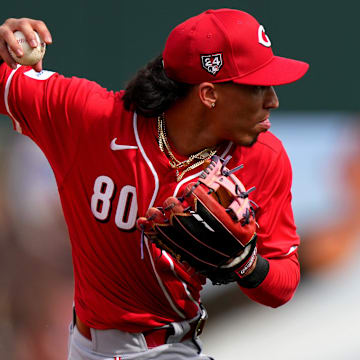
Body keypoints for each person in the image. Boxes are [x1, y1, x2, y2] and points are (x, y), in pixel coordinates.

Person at [0, 8, 309, 360]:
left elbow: (283, 284)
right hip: (82, 347)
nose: (273, 100)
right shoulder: (92, 118)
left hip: (169, 348)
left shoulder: (263, 158)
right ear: (208, 94)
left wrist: (246, 264)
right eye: (257, 87)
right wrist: (4, 42)